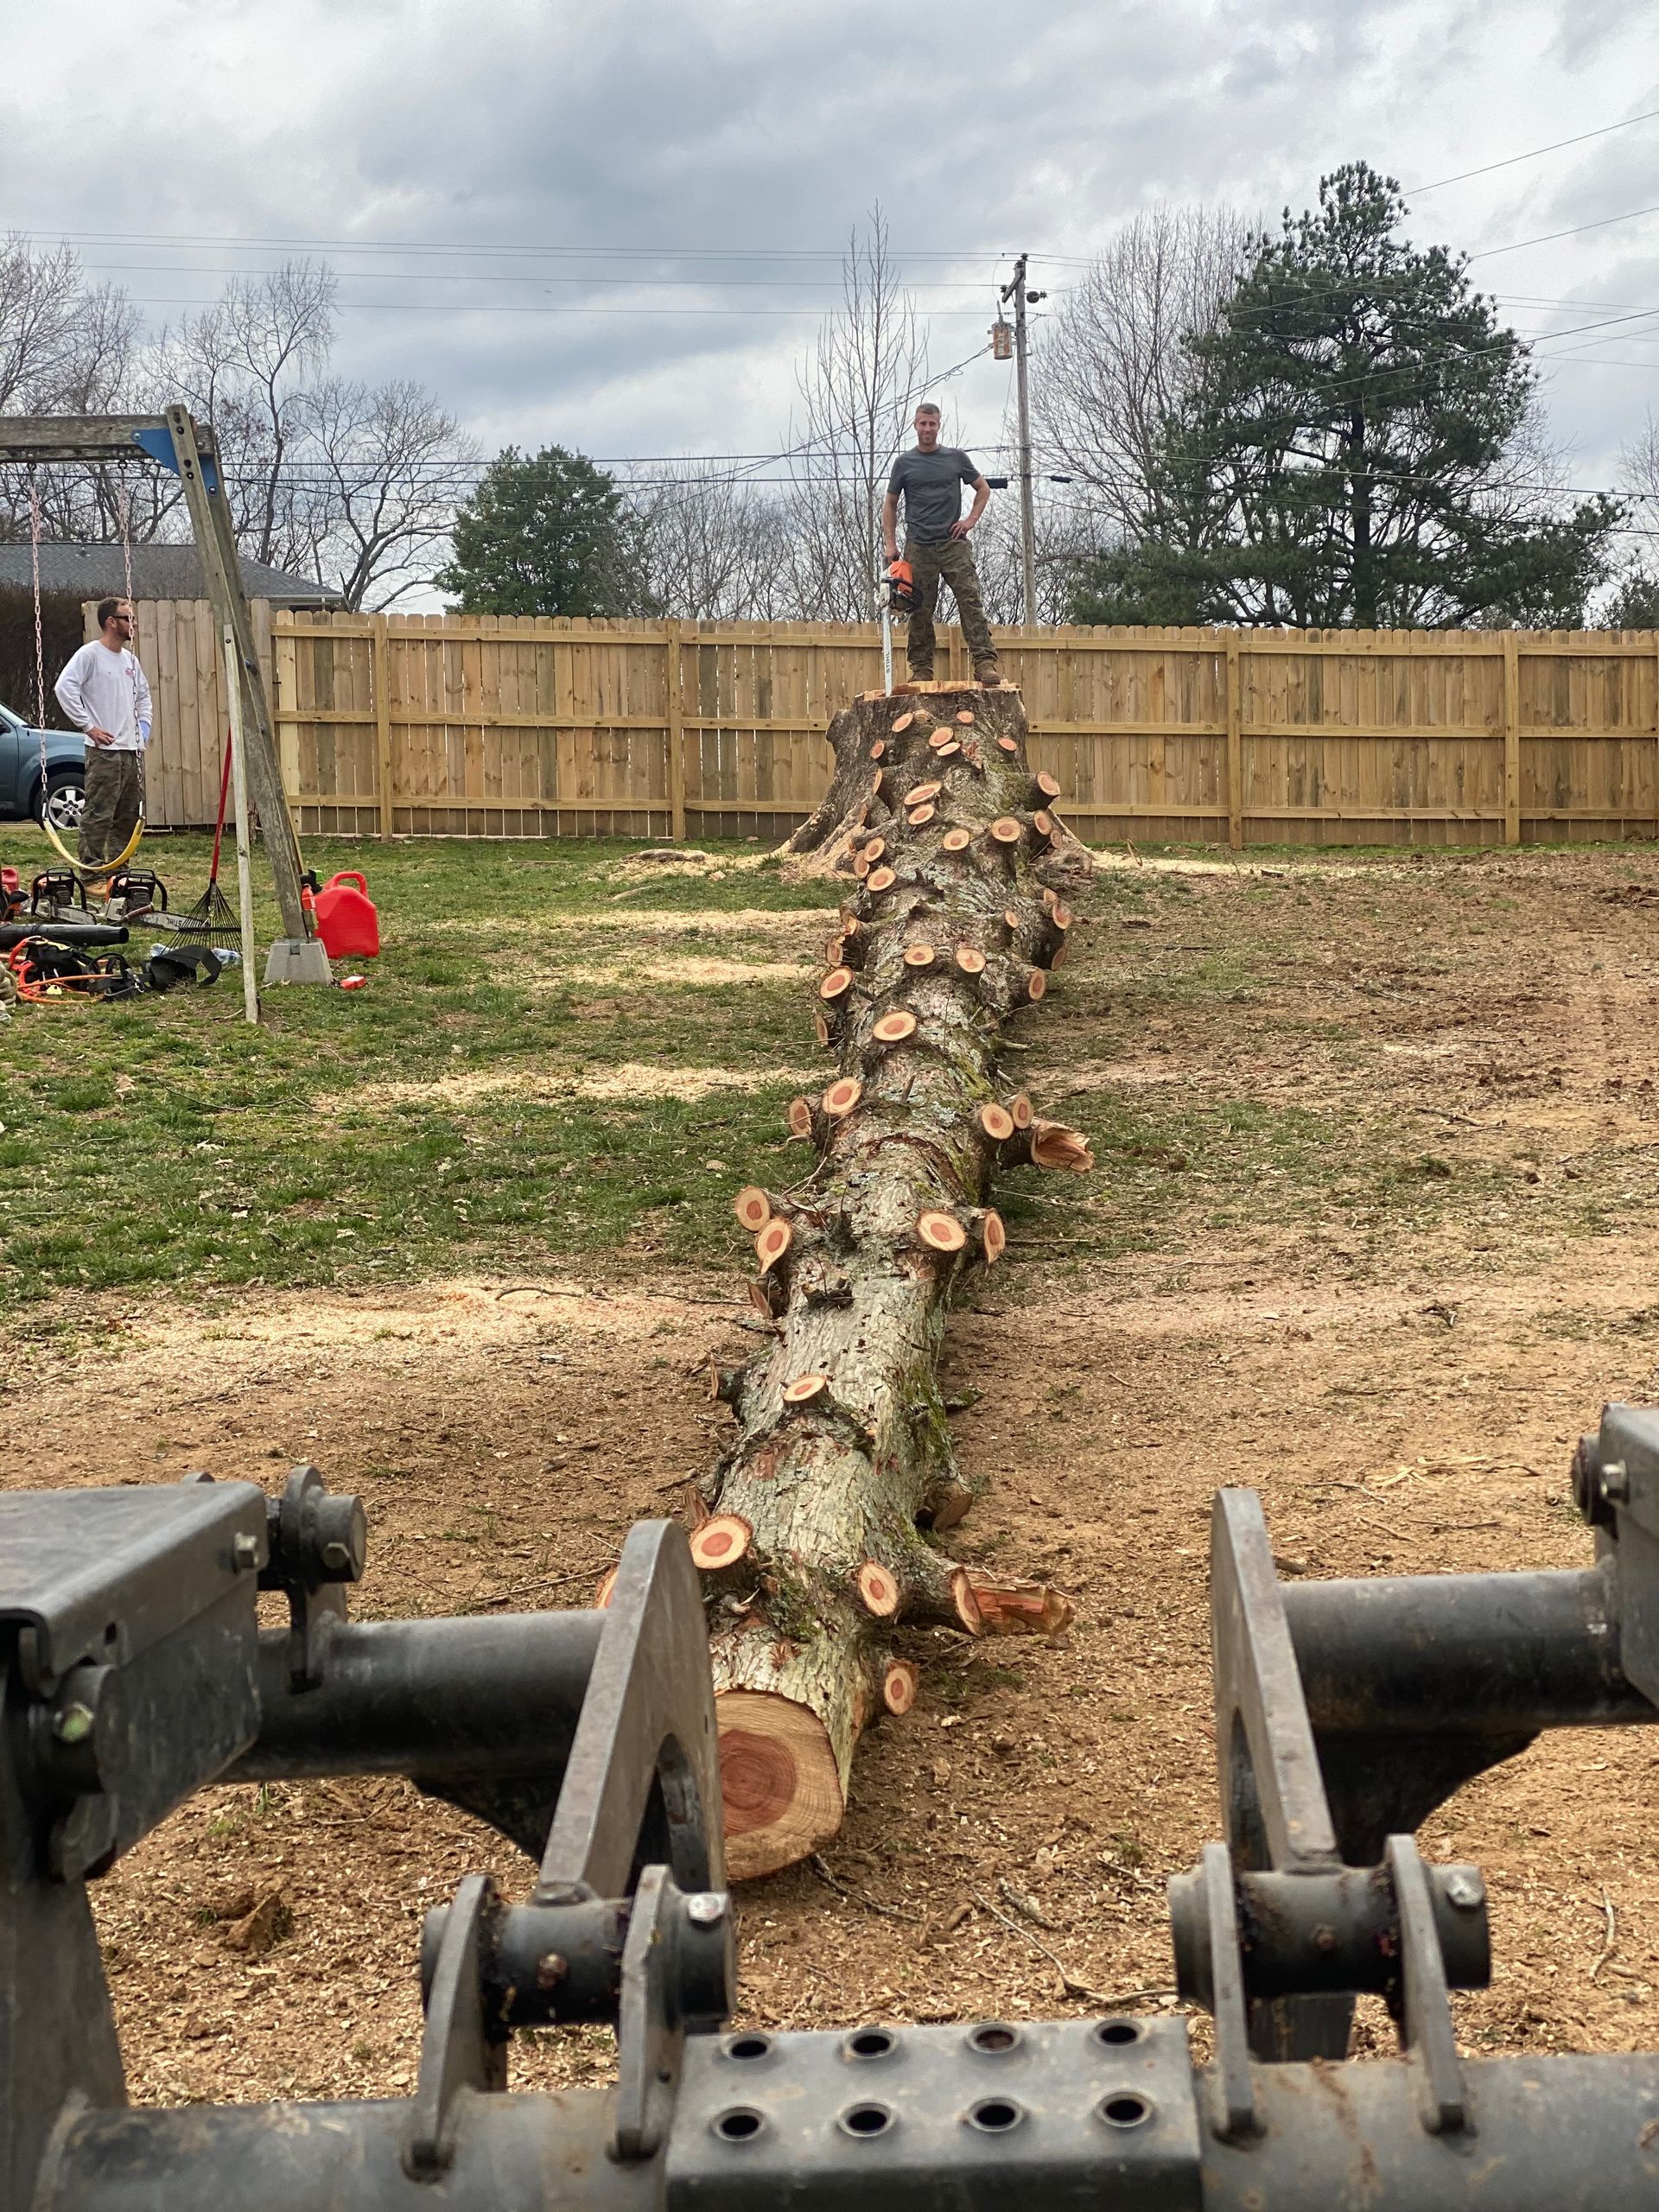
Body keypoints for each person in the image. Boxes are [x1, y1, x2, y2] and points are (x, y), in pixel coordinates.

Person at [882, 403, 1001, 685]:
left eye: (932, 424)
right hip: (918, 546)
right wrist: (890, 544)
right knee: (919, 608)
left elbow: (983, 489)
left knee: (970, 600)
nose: (927, 429)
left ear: (938, 425)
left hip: (953, 544)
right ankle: (921, 668)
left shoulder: (956, 458)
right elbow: (890, 503)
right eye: (922, 424)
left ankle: (984, 663)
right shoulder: (904, 463)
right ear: (915, 425)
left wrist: (970, 520)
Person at [54, 598, 152, 867]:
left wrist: (143, 728)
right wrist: (88, 726)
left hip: (130, 751)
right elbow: (64, 688)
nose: (133, 624)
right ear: (111, 622)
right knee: (99, 813)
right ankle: (93, 872)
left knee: (127, 815)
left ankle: (121, 872)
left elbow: (143, 697)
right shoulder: (90, 655)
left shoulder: (130, 660)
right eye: (128, 618)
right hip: (104, 752)